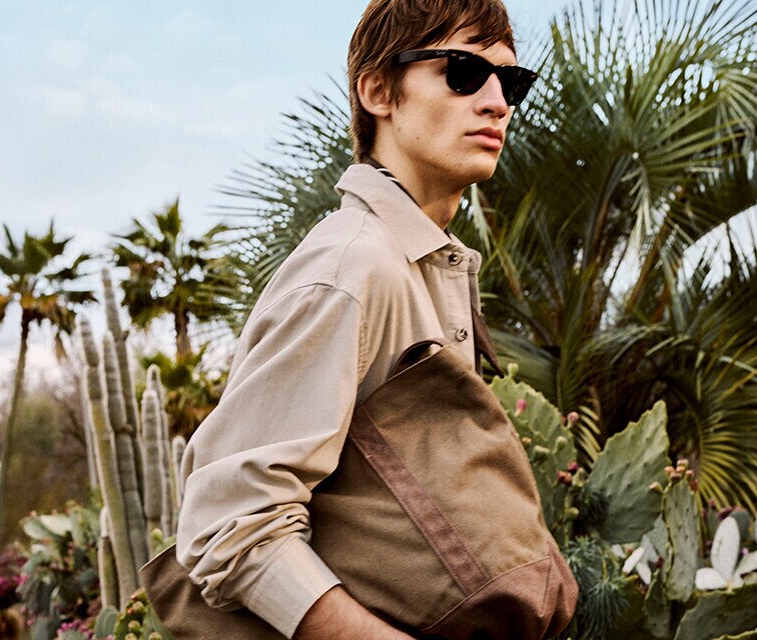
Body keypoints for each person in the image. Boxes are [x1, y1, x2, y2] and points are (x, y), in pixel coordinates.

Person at [172, 0, 548, 637]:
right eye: (462, 72)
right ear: (378, 90)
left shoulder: (423, 264)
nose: (495, 102)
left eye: (509, 82)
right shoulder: (353, 266)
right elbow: (231, 520)